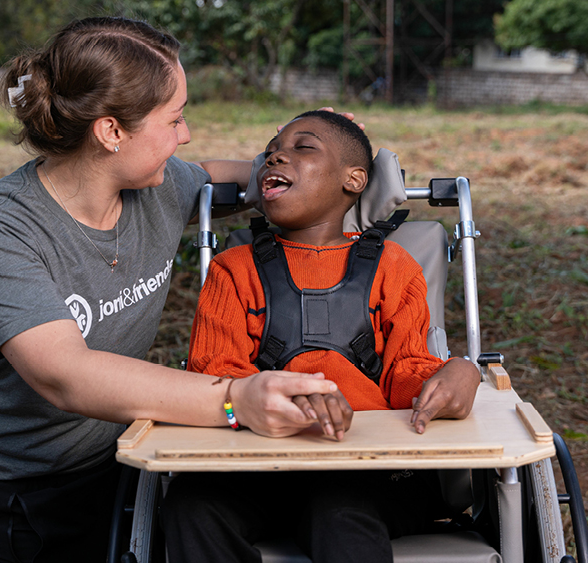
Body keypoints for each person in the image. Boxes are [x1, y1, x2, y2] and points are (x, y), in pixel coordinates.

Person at [0, 18, 347, 563]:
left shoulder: (157, 187)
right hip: (7, 482)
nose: (185, 135)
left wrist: (318, 165)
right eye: (175, 118)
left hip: (113, 455)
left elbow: (218, 176)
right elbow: (64, 375)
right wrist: (236, 400)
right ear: (112, 131)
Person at [161, 111, 482, 563]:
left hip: (371, 470)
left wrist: (457, 373)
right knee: (191, 505)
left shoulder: (393, 267)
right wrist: (284, 399)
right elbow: (214, 375)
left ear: (354, 179)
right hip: (260, 463)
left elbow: (408, 372)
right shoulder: (233, 269)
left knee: (338, 512)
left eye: (302, 147)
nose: (276, 155)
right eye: (273, 149)